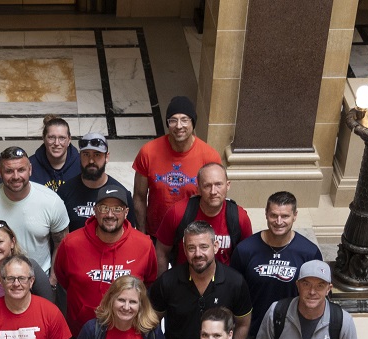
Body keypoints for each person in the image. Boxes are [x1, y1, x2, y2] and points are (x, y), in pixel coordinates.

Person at [53, 186, 157, 338]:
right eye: (104, 208)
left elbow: (147, 282)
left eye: (117, 208)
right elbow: (63, 278)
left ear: (126, 212)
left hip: (127, 334)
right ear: (95, 210)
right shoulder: (71, 244)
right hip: (81, 333)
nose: (110, 214)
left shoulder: (144, 245)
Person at [149, 221, 253, 339]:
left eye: (204, 247)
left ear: (215, 247)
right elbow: (150, 323)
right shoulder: (167, 281)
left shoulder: (235, 282)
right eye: (191, 248)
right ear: (185, 250)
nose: (198, 254)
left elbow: (243, 324)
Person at [0, 146, 69, 276]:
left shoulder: (51, 202)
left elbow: (62, 245)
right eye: (9, 171)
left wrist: (52, 281)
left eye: (21, 170)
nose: (16, 176)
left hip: (38, 281)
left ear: (30, 169)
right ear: (0, 172)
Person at [231, 191, 323, 339]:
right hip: (253, 333)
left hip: (292, 334)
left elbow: (317, 295)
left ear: (295, 215)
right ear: (266, 214)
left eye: (285, 216)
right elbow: (233, 293)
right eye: (274, 215)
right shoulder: (245, 250)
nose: (279, 221)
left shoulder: (309, 253)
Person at [131, 96, 222, 236]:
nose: (179, 126)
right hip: (156, 233)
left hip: (192, 236)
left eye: (185, 119)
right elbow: (139, 197)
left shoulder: (209, 157)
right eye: (173, 120)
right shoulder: (148, 152)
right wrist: (141, 235)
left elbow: (215, 199)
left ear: (193, 122)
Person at [155, 163, 252, 270]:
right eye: (207, 186)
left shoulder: (239, 217)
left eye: (218, 184)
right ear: (199, 189)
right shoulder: (178, 212)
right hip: (183, 280)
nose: (213, 192)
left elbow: (247, 257)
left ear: (228, 185)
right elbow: (162, 252)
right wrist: (162, 284)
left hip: (225, 283)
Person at [58, 132, 136, 232]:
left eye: (97, 155)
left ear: (107, 157)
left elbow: (129, 235)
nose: (91, 161)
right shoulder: (64, 192)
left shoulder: (122, 195)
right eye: (86, 154)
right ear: (80, 156)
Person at [29, 116, 80, 193]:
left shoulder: (82, 164)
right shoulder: (29, 165)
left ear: (69, 140)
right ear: (44, 138)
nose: (56, 143)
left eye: (62, 138)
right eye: (51, 137)